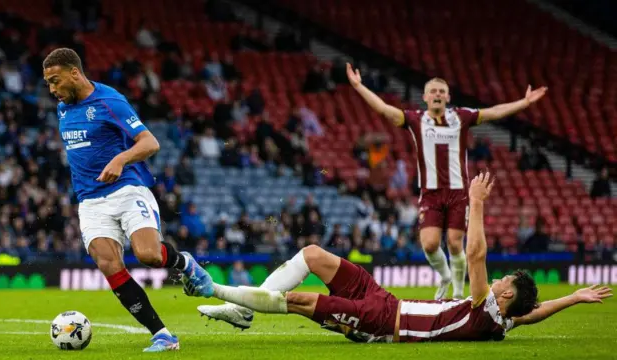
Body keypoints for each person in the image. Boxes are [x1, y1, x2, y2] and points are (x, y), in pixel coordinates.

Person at [183, 172, 612, 343]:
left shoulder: (486, 310)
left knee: (299, 302)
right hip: (385, 299)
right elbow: (533, 313)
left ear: (502, 299)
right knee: (312, 254)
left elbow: (476, 253)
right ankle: (240, 311)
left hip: (381, 323)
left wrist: (476, 202)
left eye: (505, 286)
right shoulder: (505, 319)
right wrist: (572, 298)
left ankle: (217, 290)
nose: (498, 282)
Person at [43, 48, 211, 352]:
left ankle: (185, 263)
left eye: (55, 81)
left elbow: (150, 142)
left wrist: (121, 158)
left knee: (148, 255)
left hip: (127, 190)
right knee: (109, 264)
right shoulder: (63, 108)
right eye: (48, 84)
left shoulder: (110, 102)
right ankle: (162, 334)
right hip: (90, 202)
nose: (52, 90)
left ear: (75, 73)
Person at [346, 64, 548, 299]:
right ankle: (444, 275)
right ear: (425, 97)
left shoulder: (460, 117)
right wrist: (359, 86)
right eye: (433, 91)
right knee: (430, 244)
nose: (438, 95)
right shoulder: (415, 119)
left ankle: (459, 293)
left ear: (448, 97)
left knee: (454, 243)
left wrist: (524, 103)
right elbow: (384, 109)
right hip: (430, 193)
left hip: (457, 192)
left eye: (442, 91)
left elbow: (493, 112)